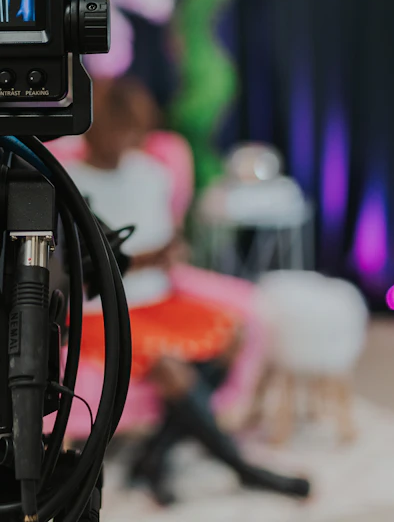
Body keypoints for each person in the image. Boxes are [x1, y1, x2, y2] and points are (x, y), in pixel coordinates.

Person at [65, 75, 310, 505]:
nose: (123, 141)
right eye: (115, 130)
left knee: (232, 335)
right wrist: (141, 258)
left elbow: (166, 233)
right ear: (93, 127)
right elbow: (75, 268)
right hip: (99, 310)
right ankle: (243, 467)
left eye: (132, 132)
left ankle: (154, 456)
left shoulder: (151, 172)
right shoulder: (66, 179)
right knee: (171, 367)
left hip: (159, 296)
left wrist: (170, 249)